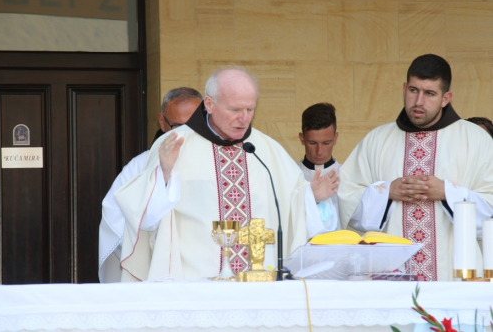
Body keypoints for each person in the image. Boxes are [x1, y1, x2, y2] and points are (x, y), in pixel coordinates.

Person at [113, 67, 337, 282]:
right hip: (193, 285)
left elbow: (290, 212)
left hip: (258, 286)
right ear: (209, 104)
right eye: (235, 109)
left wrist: (310, 197)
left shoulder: (267, 150)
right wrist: (163, 176)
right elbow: (146, 219)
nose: (244, 118)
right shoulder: (174, 145)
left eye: (250, 109)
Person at [338, 54, 493, 281]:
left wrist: (448, 193)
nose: (418, 101)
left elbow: (490, 208)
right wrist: (386, 193)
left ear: (445, 98)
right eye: (413, 90)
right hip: (389, 282)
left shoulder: (476, 140)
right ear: (404, 88)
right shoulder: (377, 140)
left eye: (429, 93)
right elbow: (346, 201)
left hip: (452, 280)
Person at [98, 87, 203, 283]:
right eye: (180, 127)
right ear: (162, 122)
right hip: (160, 270)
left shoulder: (217, 163)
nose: (189, 134)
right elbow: (113, 214)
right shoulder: (141, 166)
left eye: (196, 125)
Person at [298, 103, 340, 231]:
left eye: (326, 143)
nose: (319, 151)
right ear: (302, 138)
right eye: (312, 143)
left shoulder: (349, 176)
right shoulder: (290, 176)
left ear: (335, 138)